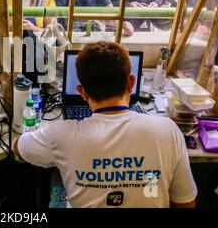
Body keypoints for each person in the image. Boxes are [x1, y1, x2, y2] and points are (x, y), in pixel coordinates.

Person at [14, 41, 198, 208]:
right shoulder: (168, 130)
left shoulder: (61, 135)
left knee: (57, 176)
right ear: (131, 83)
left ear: (82, 92)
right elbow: (186, 202)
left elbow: (18, 149)